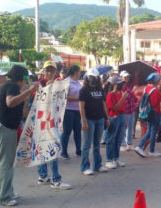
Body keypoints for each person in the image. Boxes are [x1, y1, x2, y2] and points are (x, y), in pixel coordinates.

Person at [0, 65, 39, 206]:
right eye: (27, 78)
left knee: (8, 162)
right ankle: (3, 197)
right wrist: (29, 91)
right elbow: (10, 102)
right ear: (23, 78)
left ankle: (7, 191)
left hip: (4, 125)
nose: (28, 81)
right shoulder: (11, 86)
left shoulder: (8, 86)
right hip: (4, 127)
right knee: (6, 163)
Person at [36, 61, 72, 190]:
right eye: (47, 70)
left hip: (53, 121)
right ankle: (52, 179)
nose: (50, 73)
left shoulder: (58, 84)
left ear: (56, 72)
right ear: (43, 71)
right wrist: (48, 87)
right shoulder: (39, 84)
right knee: (49, 148)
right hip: (41, 122)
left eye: (52, 70)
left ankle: (45, 176)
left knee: (50, 148)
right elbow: (38, 100)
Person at [79, 68, 110, 175]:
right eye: (91, 77)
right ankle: (84, 167)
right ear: (88, 77)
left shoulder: (99, 89)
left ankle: (98, 165)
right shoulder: (84, 90)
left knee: (97, 144)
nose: (93, 79)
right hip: (89, 119)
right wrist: (83, 121)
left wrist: (107, 117)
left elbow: (103, 104)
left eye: (95, 77)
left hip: (100, 118)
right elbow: (81, 107)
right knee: (87, 145)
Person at [135, 73, 161, 157]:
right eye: (159, 79)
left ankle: (144, 147)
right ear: (156, 81)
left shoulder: (146, 88)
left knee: (150, 131)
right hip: (155, 113)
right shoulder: (155, 90)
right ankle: (145, 148)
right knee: (152, 131)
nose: (160, 81)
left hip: (148, 113)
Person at [60, 65, 82, 159]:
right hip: (68, 110)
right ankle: (64, 152)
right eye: (79, 71)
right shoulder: (66, 82)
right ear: (75, 72)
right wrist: (78, 98)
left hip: (78, 110)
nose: (80, 73)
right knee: (67, 131)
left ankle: (78, 150)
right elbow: (64, 96)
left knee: (78, 131)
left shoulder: (77, 82)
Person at [105, 77, 128, 168]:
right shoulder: (110, 95)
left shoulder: (121, 93)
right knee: (111, 139)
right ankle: (109, 159)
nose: (121, 85)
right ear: (114, 84)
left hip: (121, 116)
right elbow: (114, 108)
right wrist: (123, 98)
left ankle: (116, 158)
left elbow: (123, 108)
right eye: (119, 83)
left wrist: (125, 120)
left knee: (118, 138)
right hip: (113, 117)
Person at [119, 70, 138, 151]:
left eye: (127, 77)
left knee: (130, 127)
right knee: (124, 127)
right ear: (121, 77)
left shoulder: (128, 86)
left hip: (131, 109)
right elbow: (129, 97)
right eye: (125, 77)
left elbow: (134, 98)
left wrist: (131, 94)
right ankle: (122, 143)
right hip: (125, 110)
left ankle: (129, 143)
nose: (127, 78)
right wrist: (132, 93)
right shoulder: (121, 87)